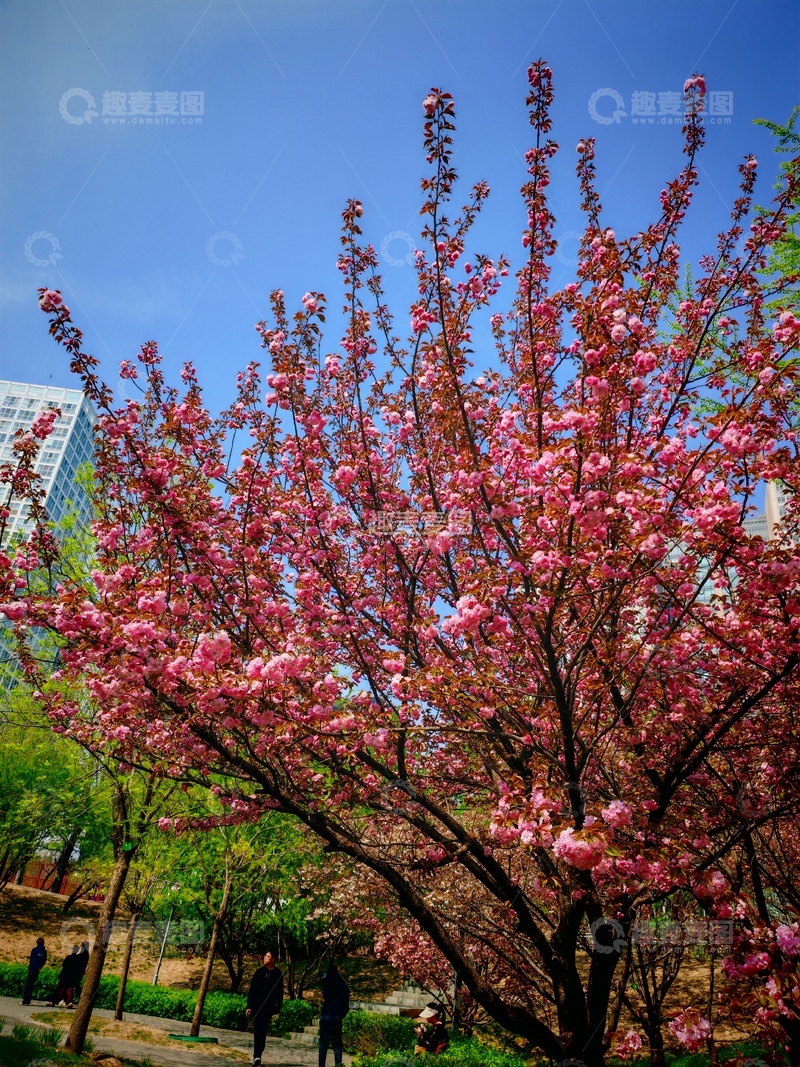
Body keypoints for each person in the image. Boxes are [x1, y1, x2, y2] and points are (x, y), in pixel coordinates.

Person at [246, 950, 283, 1067]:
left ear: (273, 959)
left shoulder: (278, 973)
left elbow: (279, 992)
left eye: (268, 956)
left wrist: (278, 1007)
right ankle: (257, 1056)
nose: (265, 958)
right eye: (265, 956)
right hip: (257, 1006)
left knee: (263, 1032)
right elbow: (252, 990)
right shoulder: (259, 972)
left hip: (269, 1007)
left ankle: (258, 1054)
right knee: (258, 1031)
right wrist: (249, 1006)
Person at [318, 962, 350, 1067]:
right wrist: (342, 1015)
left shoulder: (326, 984)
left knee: (323, 1045)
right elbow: (346, 1004)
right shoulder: (342, 986)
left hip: (325, 1015)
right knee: (337, 1045)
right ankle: (338, 1065)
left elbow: (324, 977)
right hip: (336, 1017)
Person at [21, 937, 47, 1005]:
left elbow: (32, 960)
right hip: (37, 970)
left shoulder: (34, 950)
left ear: (37, 942)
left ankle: (25, 1000)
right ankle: (29, 999)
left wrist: (33, 967)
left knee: (27, 985)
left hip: (32, 969)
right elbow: (44, 960)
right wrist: (39, 967)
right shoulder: (44, 951)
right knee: (32, 985)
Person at [69, 941, 90, 1007]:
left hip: (77, 972)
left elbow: (77, 961)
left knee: (74, 986)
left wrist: (74, 954)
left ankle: (79, 999)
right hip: (80, 972)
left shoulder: (83, 954)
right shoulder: (86, 953)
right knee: (76, 986)